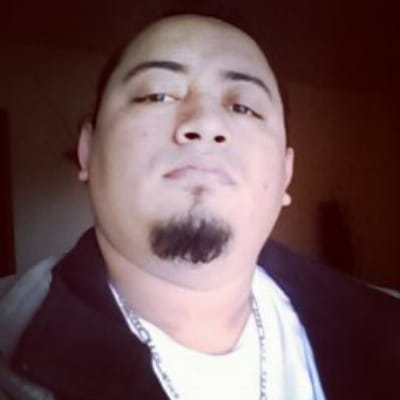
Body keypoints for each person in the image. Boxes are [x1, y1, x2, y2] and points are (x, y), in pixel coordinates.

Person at [1, 14, 399, 400]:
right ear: (87, 150)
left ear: (285, 174)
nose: (206, 123)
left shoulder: (386, 326)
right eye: (156, 95)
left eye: (243, 107)